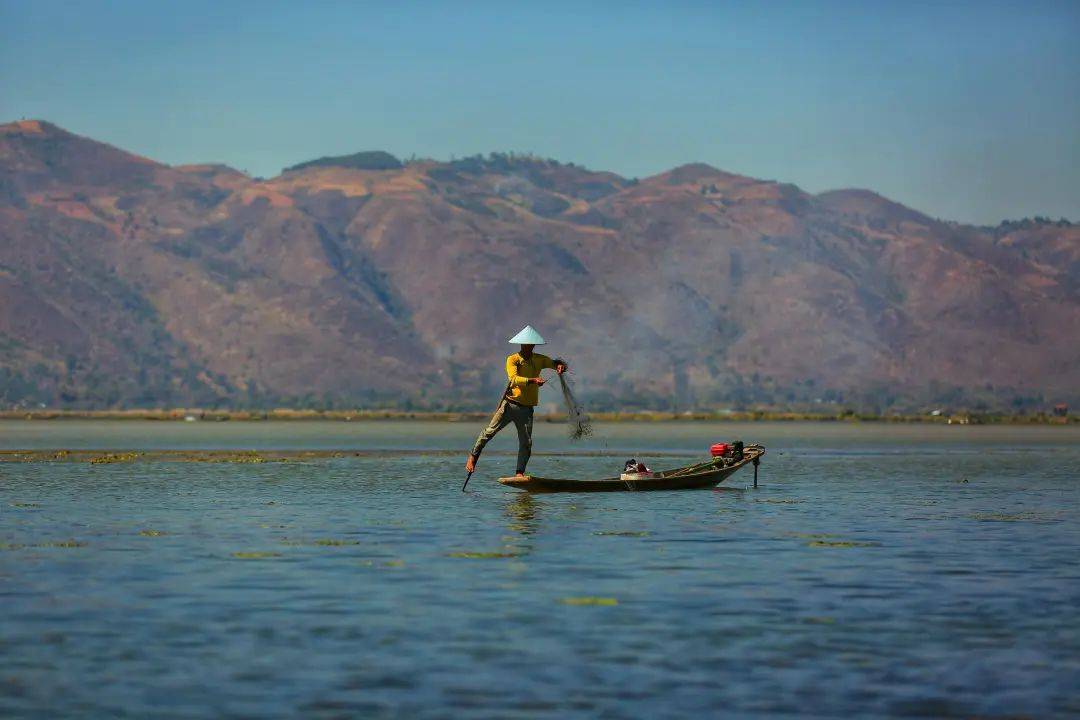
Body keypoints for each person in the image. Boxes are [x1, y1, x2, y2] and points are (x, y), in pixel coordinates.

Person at [465, 325, 567, 477]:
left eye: (531, 345)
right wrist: (533, 380)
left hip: (526, 409)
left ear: (533, 345)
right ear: (521, 344)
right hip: (509, 405)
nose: (528, 347)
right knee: (489, 432)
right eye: (525, 344)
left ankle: (519, 473)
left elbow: (555, 363)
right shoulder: (513, 359)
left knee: (526, 443)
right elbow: (513, 379)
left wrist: (560, 366)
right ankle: (473, 457)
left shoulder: (539, 360)